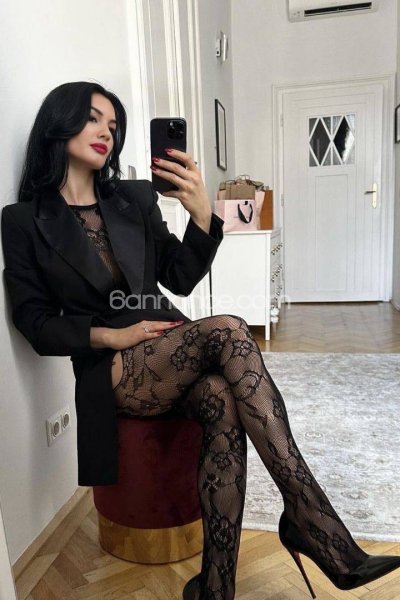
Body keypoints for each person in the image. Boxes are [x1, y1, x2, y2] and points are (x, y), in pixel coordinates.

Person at [1, 81, 399, 600]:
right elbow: (34, 322)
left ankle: (217, 583)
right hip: (108, 366)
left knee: (220, 399)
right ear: (60, 121)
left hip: (167, 346)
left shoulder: (133, 198)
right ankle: (310, 517)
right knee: (230, 328)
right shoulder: (24, 220)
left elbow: (179, 277)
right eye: (93, 118)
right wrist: (111, 334)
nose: (106, 132)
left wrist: (202, 214)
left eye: (114, 125)